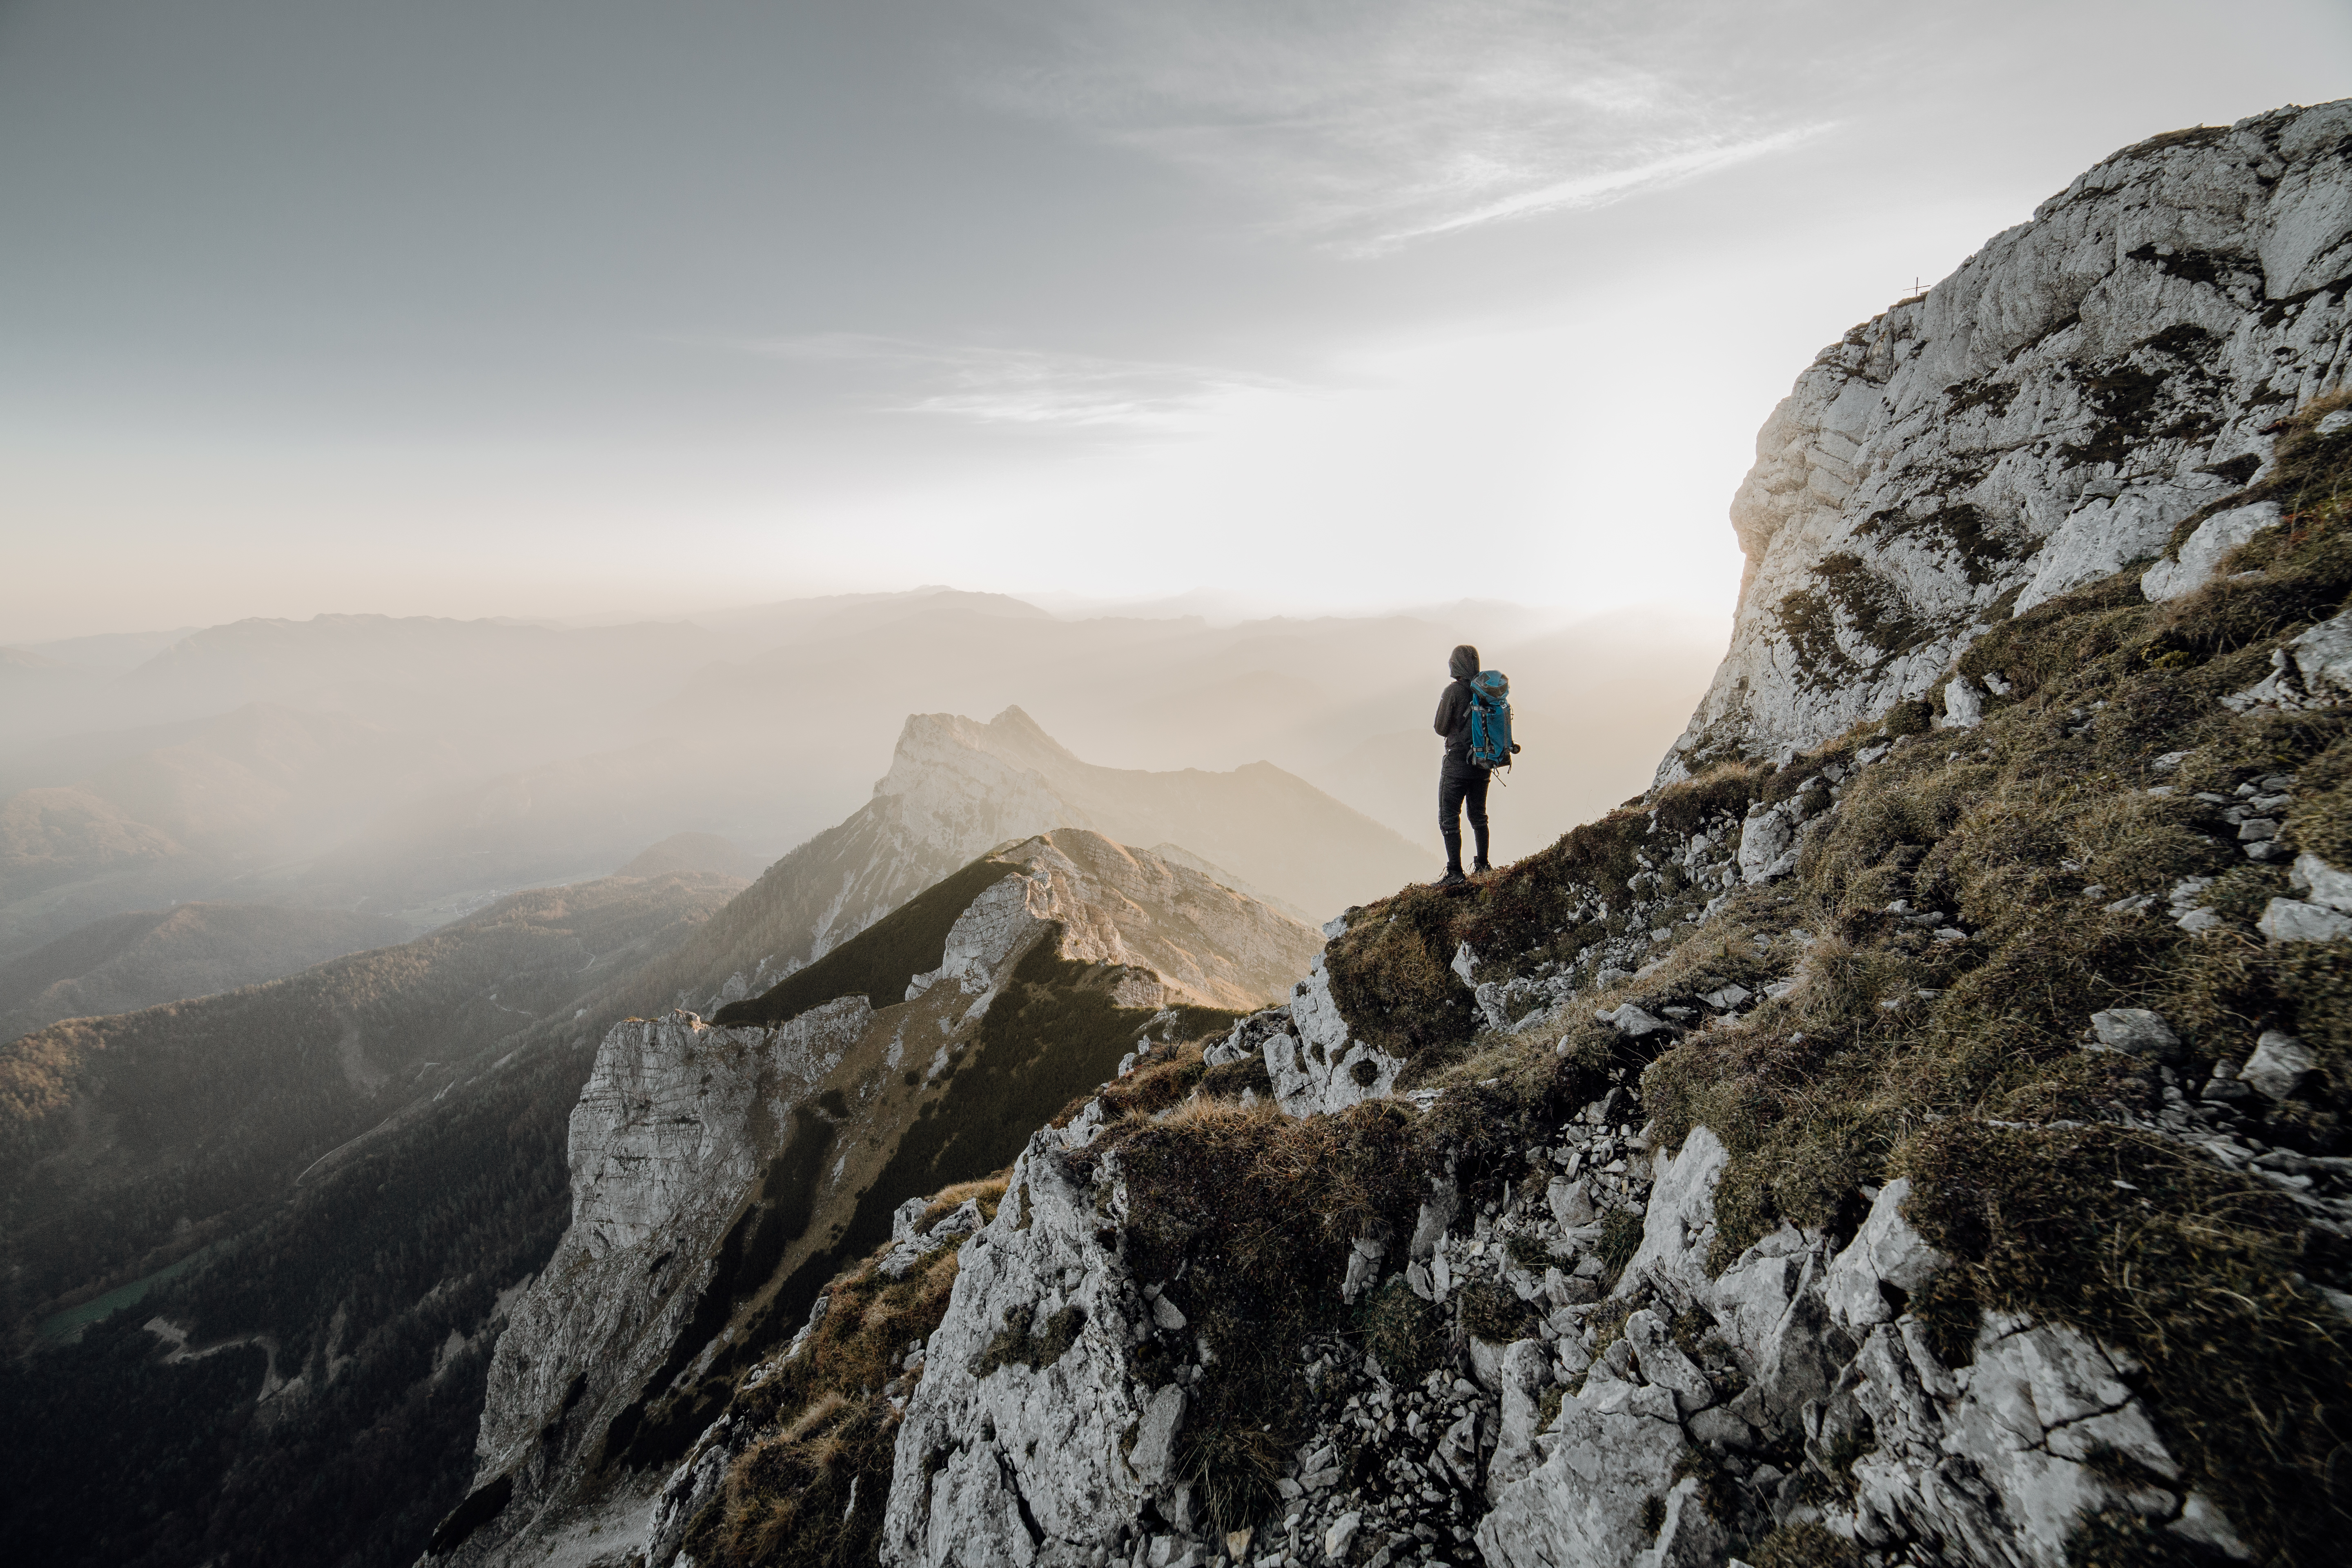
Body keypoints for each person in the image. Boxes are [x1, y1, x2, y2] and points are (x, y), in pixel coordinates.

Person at [1432, 643, 1490, 887]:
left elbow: (1440, 728)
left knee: (1448, 816)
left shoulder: (1453, 692)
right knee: (1478, 815)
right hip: (1483, 763)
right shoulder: (1488, 690)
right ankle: (1483, 865)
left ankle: (1455, 872)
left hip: (1457, 764)